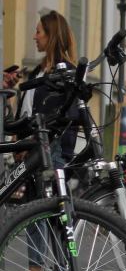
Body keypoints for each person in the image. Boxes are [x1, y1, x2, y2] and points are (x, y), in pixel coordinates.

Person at [3, 10, 79, 167]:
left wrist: (32, 143)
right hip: (29, 156)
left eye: (38, 32)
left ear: (51, 35)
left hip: (50, 156)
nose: (34, 37)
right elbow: (28, 113)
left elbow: (62, 119)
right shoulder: (37, 72)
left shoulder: (66, 73)